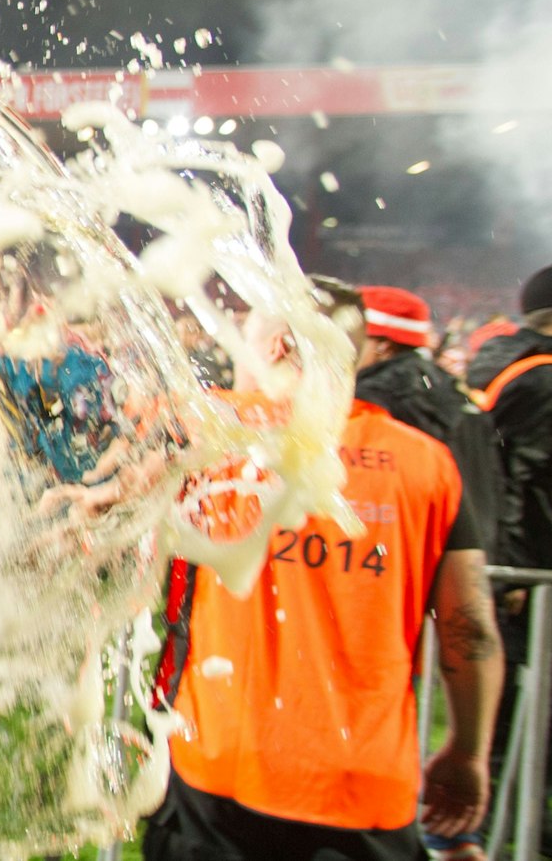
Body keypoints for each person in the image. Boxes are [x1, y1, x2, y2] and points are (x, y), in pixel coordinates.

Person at [147, 278, 503, 861]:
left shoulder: (213, 435)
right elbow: (472, 628)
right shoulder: (425, 462)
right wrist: (467, 752)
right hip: (366, 780)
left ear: (276, 347)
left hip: (225, 775)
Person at [466, 262, 552, 861]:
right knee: (530, 703)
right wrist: (511, 572)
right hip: (536, 575)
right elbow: (508, 478)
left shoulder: (538, 368)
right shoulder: (549, 379)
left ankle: (521, 814)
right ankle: (486, 826)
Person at [353, 285, 507, 557]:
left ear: (382, 346)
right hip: (471, 554)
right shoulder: (457, 394)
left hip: (401, 554)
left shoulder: (373, 397)